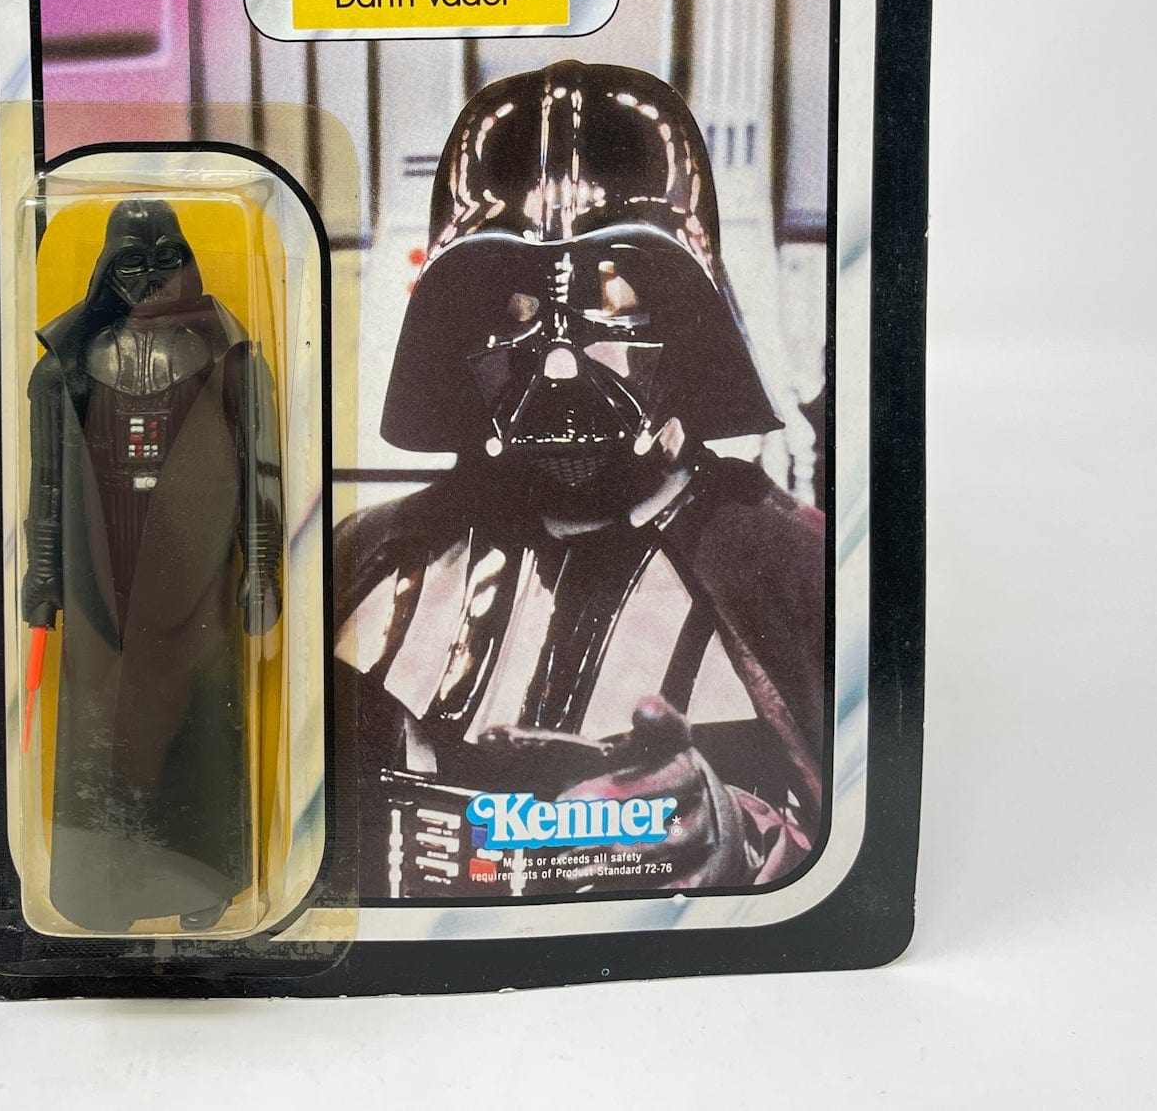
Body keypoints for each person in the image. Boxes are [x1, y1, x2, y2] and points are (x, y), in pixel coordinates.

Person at [334, 62, 824, 899]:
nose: (559, 363)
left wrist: (733, 836)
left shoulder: (790, 567)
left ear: (686, 317)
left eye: (616, 301)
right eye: (517, 308)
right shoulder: (375, 558)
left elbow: (854, 822)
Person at [22, 199, 282, 931]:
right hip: (101, 569)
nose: (148, 279)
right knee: (102, 733)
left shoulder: (231, 361)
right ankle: (104, 894)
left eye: (165, 261)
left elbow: (260, 473)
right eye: (131, 263)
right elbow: (48, 485)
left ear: (187, 264)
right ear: (108, 268)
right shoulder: (65, 368)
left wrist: (261, 568)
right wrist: (44, 574)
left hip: (196, 566)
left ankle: (201, 888)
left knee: (198, 722)